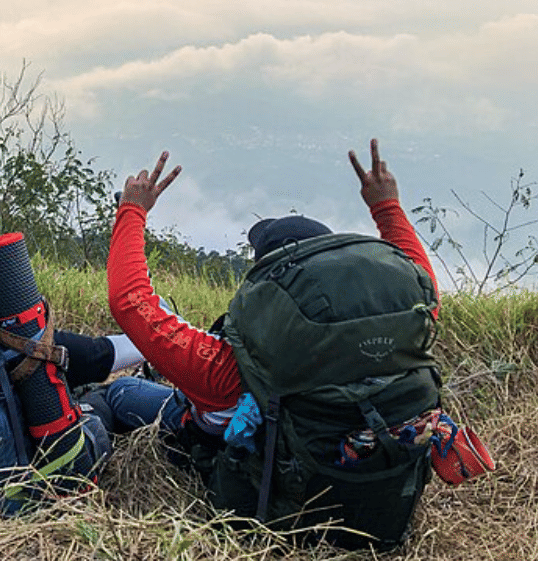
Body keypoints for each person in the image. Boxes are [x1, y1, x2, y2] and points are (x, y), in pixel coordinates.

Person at [96, 139, 441, 522]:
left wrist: (132, 210)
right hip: (377, 504)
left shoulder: (228, 372)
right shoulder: (398, 341)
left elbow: (130, 301)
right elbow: (422, 282)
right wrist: (386, 206)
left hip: (277, 501)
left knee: (122, 392)